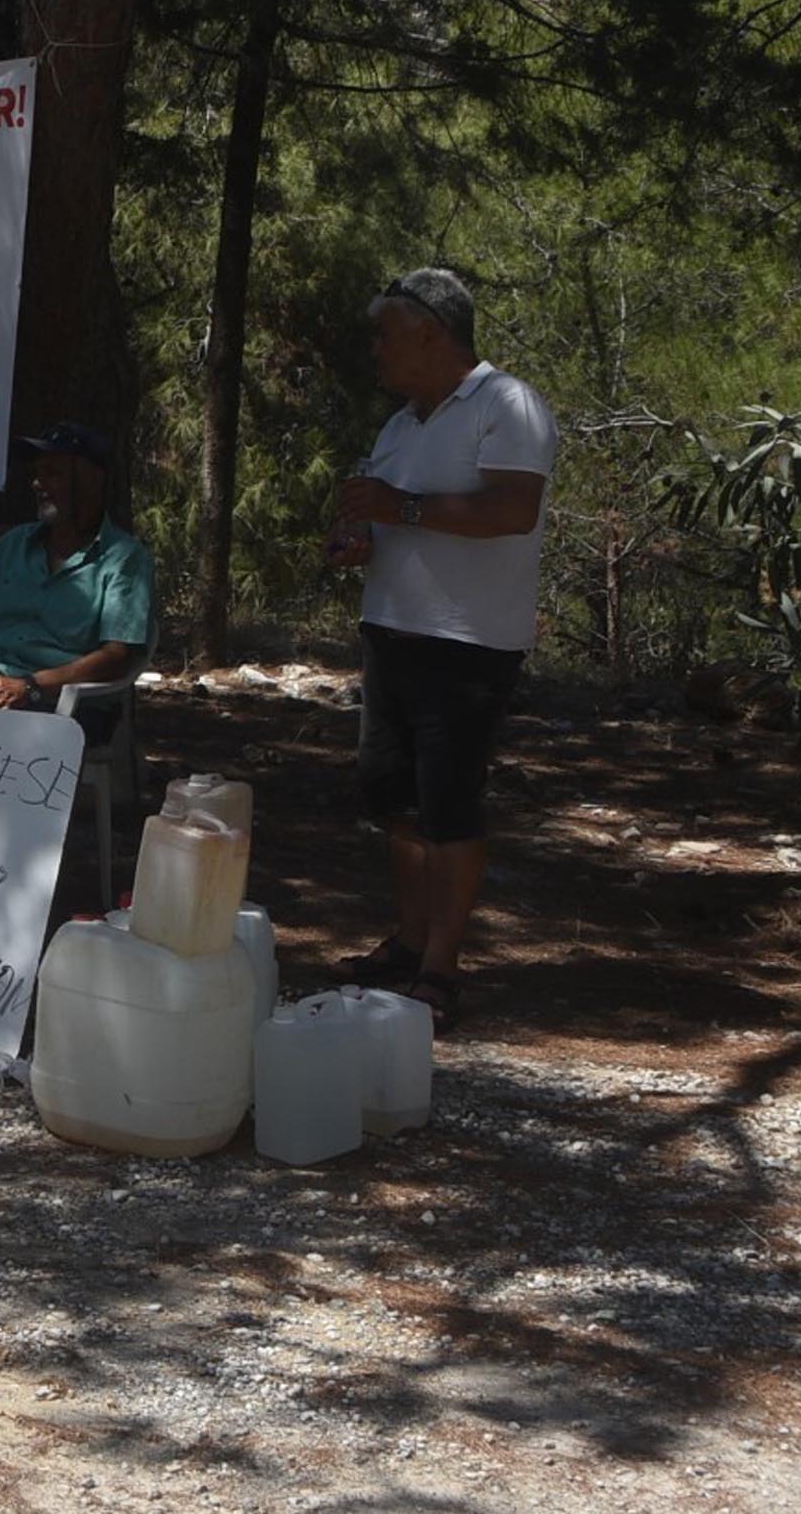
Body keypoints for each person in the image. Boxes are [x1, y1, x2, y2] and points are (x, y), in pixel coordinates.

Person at [326, 266, 557, 1034]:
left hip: (468, 642)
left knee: (448, 804)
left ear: (430, 331)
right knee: (390, 793)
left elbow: (513, 509)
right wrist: (361, 536)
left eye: (385, 334)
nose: (376, 351)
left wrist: (405, 508)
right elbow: (387, 516)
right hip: (391, 629)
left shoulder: (507, 404)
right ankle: (409, 942)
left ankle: (441, 970)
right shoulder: (401, 425)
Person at [0, 422, 153, 730]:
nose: (37, 484)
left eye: (52, 473)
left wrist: (31, 686)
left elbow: (117, 656)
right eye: (36, 474)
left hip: (60, 702)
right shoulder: (11, 546)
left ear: (91, 481)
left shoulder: (124, 557)